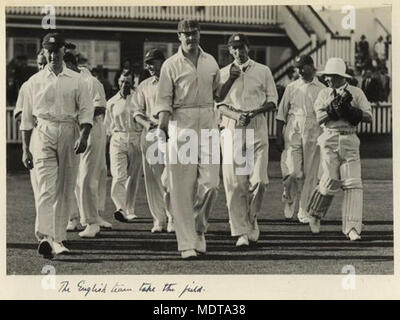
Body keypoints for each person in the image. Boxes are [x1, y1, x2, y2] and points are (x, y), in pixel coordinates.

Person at [20, 32, 93, 258]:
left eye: (57, 50)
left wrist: (84, 136)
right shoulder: (34, 82)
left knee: (65, 188)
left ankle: (58, 238)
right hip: (43, 132)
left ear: (64, 51)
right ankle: (45, 237)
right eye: (48, 51)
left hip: (69, 132)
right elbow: (26, 119)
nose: (53, 55)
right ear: (43, 52)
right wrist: (24, 148)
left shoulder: (77, 79)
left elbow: (86, 111)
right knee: (45, 187)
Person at [154, 20, 221, 259]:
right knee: (181, 188)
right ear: (179, 36)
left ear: (199, 33)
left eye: (194, 33)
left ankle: (198, 229)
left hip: (208, 122)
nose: (190, 38)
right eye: (186, 34)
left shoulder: (211, 61)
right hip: (181, 124)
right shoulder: (170, 65)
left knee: (211, 184)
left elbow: (217, 92)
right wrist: (162, 126)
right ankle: (186, 244)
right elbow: (163, 100)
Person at [217, 33, 278, 247]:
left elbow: (272, 101)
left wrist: (253, 112)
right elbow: (218, 103)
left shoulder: (263, 70)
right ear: (229, 50)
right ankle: (241, 231)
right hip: (233, 128)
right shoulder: (223, 72)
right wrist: (236, 114)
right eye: (234, 48)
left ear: (248, 48)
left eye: (241, 47)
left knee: (260, 181)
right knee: (235, 183)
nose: (238, 52)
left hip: (257, 125)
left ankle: (251, 218)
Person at [307, 57, 372, 240]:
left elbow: (368, 116)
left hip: (350, 138)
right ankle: (315, 214)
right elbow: (319, 118)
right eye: (326, 76)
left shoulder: (356, 93)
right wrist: (332, 109)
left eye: (331, 76)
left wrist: (351, 111)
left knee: (353, 184)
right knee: (330, 181)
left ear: (341, 76)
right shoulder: (323, 94)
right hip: (329, 138)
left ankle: (352, 228)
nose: (327, 79)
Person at [63, 52, 112, 237]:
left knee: (87, 177)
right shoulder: (70, 82)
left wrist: (80, 118)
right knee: (75, 177)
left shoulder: (90, 81)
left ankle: (92, 222)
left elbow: (100, 107)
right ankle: (74, 218)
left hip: (92, 131)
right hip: (77, 132)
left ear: (69, 63)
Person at [275, 55, 326, 223]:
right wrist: (278, 136)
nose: (300, 71)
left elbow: (327, 115)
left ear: (312, 66)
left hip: (314, 129)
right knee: (293, 171)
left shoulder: (322, 88)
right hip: (293, 127)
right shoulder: (291, 87)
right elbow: (281, 114)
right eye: (297, 68)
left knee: (311, 173)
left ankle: (304, 209)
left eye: (303, 67)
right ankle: (289, 197)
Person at [132, 49, 174, 233]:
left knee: (171, 177)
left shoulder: (173, 81)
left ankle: (173, 217)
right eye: (147, 63)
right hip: (150, 134)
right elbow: (136, 112)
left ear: (162, 62)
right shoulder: (144, 85)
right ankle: (159, 219)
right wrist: (146, 123)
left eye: (152, 62)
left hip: (170, 132)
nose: (149, 66)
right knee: (153, 179)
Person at [105, 71, 142, 223]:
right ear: (118, 82)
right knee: (119, 175)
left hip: (136, 137)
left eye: (128, 82)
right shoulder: (111, 102)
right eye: (122, 81)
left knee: (133, 176)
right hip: (118, 138)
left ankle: (130, 209)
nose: (125, 85)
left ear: (132, 83)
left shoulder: (139, 99)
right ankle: (120, 208)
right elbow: (107, 127)